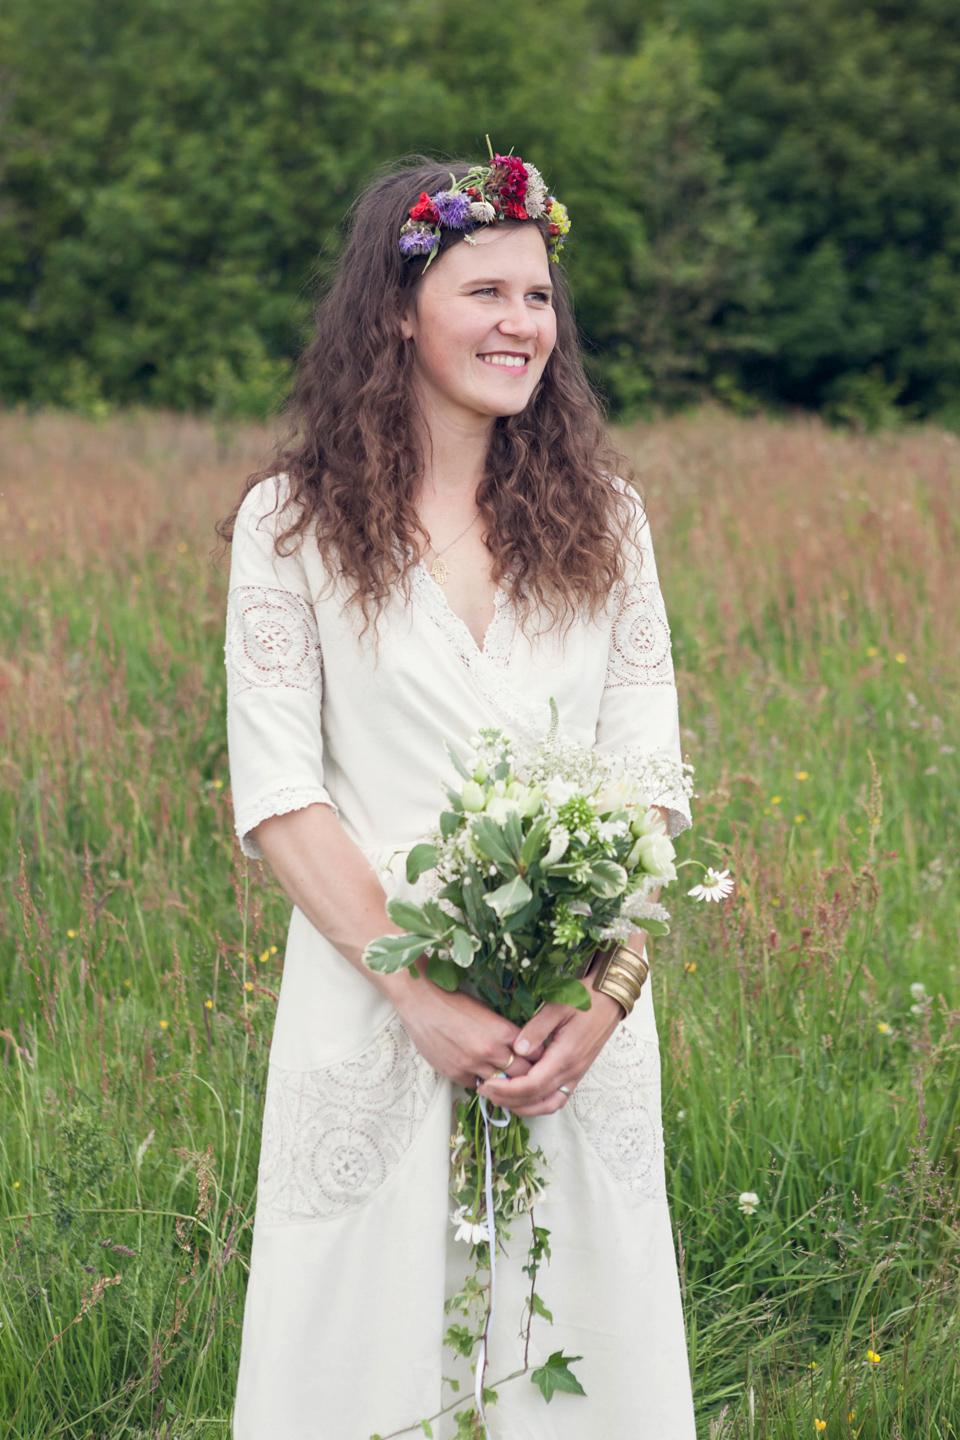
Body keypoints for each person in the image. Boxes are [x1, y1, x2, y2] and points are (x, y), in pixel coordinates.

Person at [222, 152, 696, 1439]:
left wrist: (603, 991)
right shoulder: (290, 528)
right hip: (378, 999)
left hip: (570, 1018)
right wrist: (418, 996)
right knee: (361, 1348)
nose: (522, 325)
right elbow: (279, 794)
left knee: (579, 1349)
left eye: (538, 298)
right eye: (485, 291)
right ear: (396, 309)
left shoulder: (607, 519)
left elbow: (648, 780)